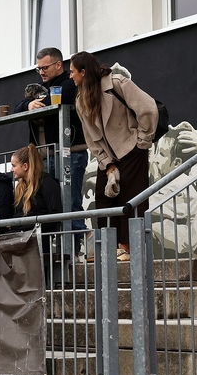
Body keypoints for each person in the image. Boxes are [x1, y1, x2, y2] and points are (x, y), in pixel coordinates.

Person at [71, 51, 158, 261]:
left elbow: (148, 108)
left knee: (131, 200)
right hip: (108, 156)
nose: (71, 76)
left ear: (83, 72)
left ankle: (127, 248)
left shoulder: (117, 83)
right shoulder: (81, 99)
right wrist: (106, 162)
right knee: (103, 199)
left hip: (132, 150)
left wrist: (141, 143)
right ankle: (107, 249)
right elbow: (91, 138)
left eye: (73, 72)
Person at [15, 47, 88, 243]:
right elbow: (17, 107)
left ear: (58, 65)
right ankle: (65, 247)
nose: (41, 72)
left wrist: (39, 102)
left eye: (45, 67)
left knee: (70, 202)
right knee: (50, 204)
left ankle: (79, 244)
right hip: (45, 157)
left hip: (71, 153)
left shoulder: (70, 82)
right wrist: (28, 105)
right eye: (38, 68)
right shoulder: (38, 87)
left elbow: (63, 96)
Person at [11, 144, 63, 232]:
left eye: (14, 166)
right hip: (23, 235)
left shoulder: (47, 183)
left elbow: (55, 215)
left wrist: (21, 225)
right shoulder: (20, 186)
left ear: (25, 166)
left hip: (39, 237)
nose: (11, 169)